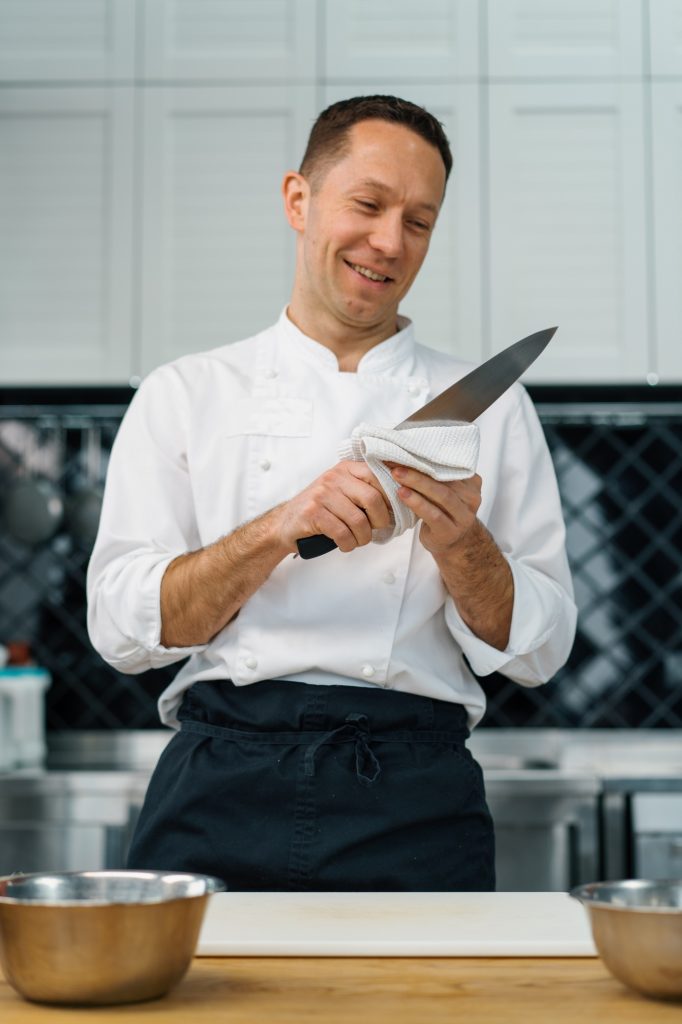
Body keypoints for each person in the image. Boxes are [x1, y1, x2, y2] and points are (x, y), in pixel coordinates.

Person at [87, 95, 577, 892]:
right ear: (298, 199)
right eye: (369, 204)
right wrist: (278, 529)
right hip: (221, 782)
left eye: (419, 221)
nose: (390, 241)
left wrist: (463, 546)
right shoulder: (186, 394)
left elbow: (540, 650)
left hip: (413, 790)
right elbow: (120, 628)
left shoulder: (489, 406)